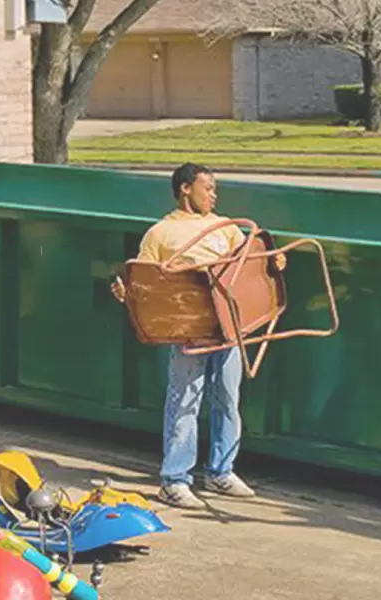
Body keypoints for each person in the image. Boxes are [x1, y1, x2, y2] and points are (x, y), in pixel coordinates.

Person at [111, 163, 284, 510]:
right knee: (184, 402)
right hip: (190, 330)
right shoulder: (160, 234)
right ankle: (175, 479)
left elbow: (250, 261)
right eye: (208, 188)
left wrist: (273, 262)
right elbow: (144, 281)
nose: (214, 195)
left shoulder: (226, 228)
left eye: (215, 189)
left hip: (229, 327)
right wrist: (125, 291)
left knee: (226, 398)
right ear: (186, 189)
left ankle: (221, 471)